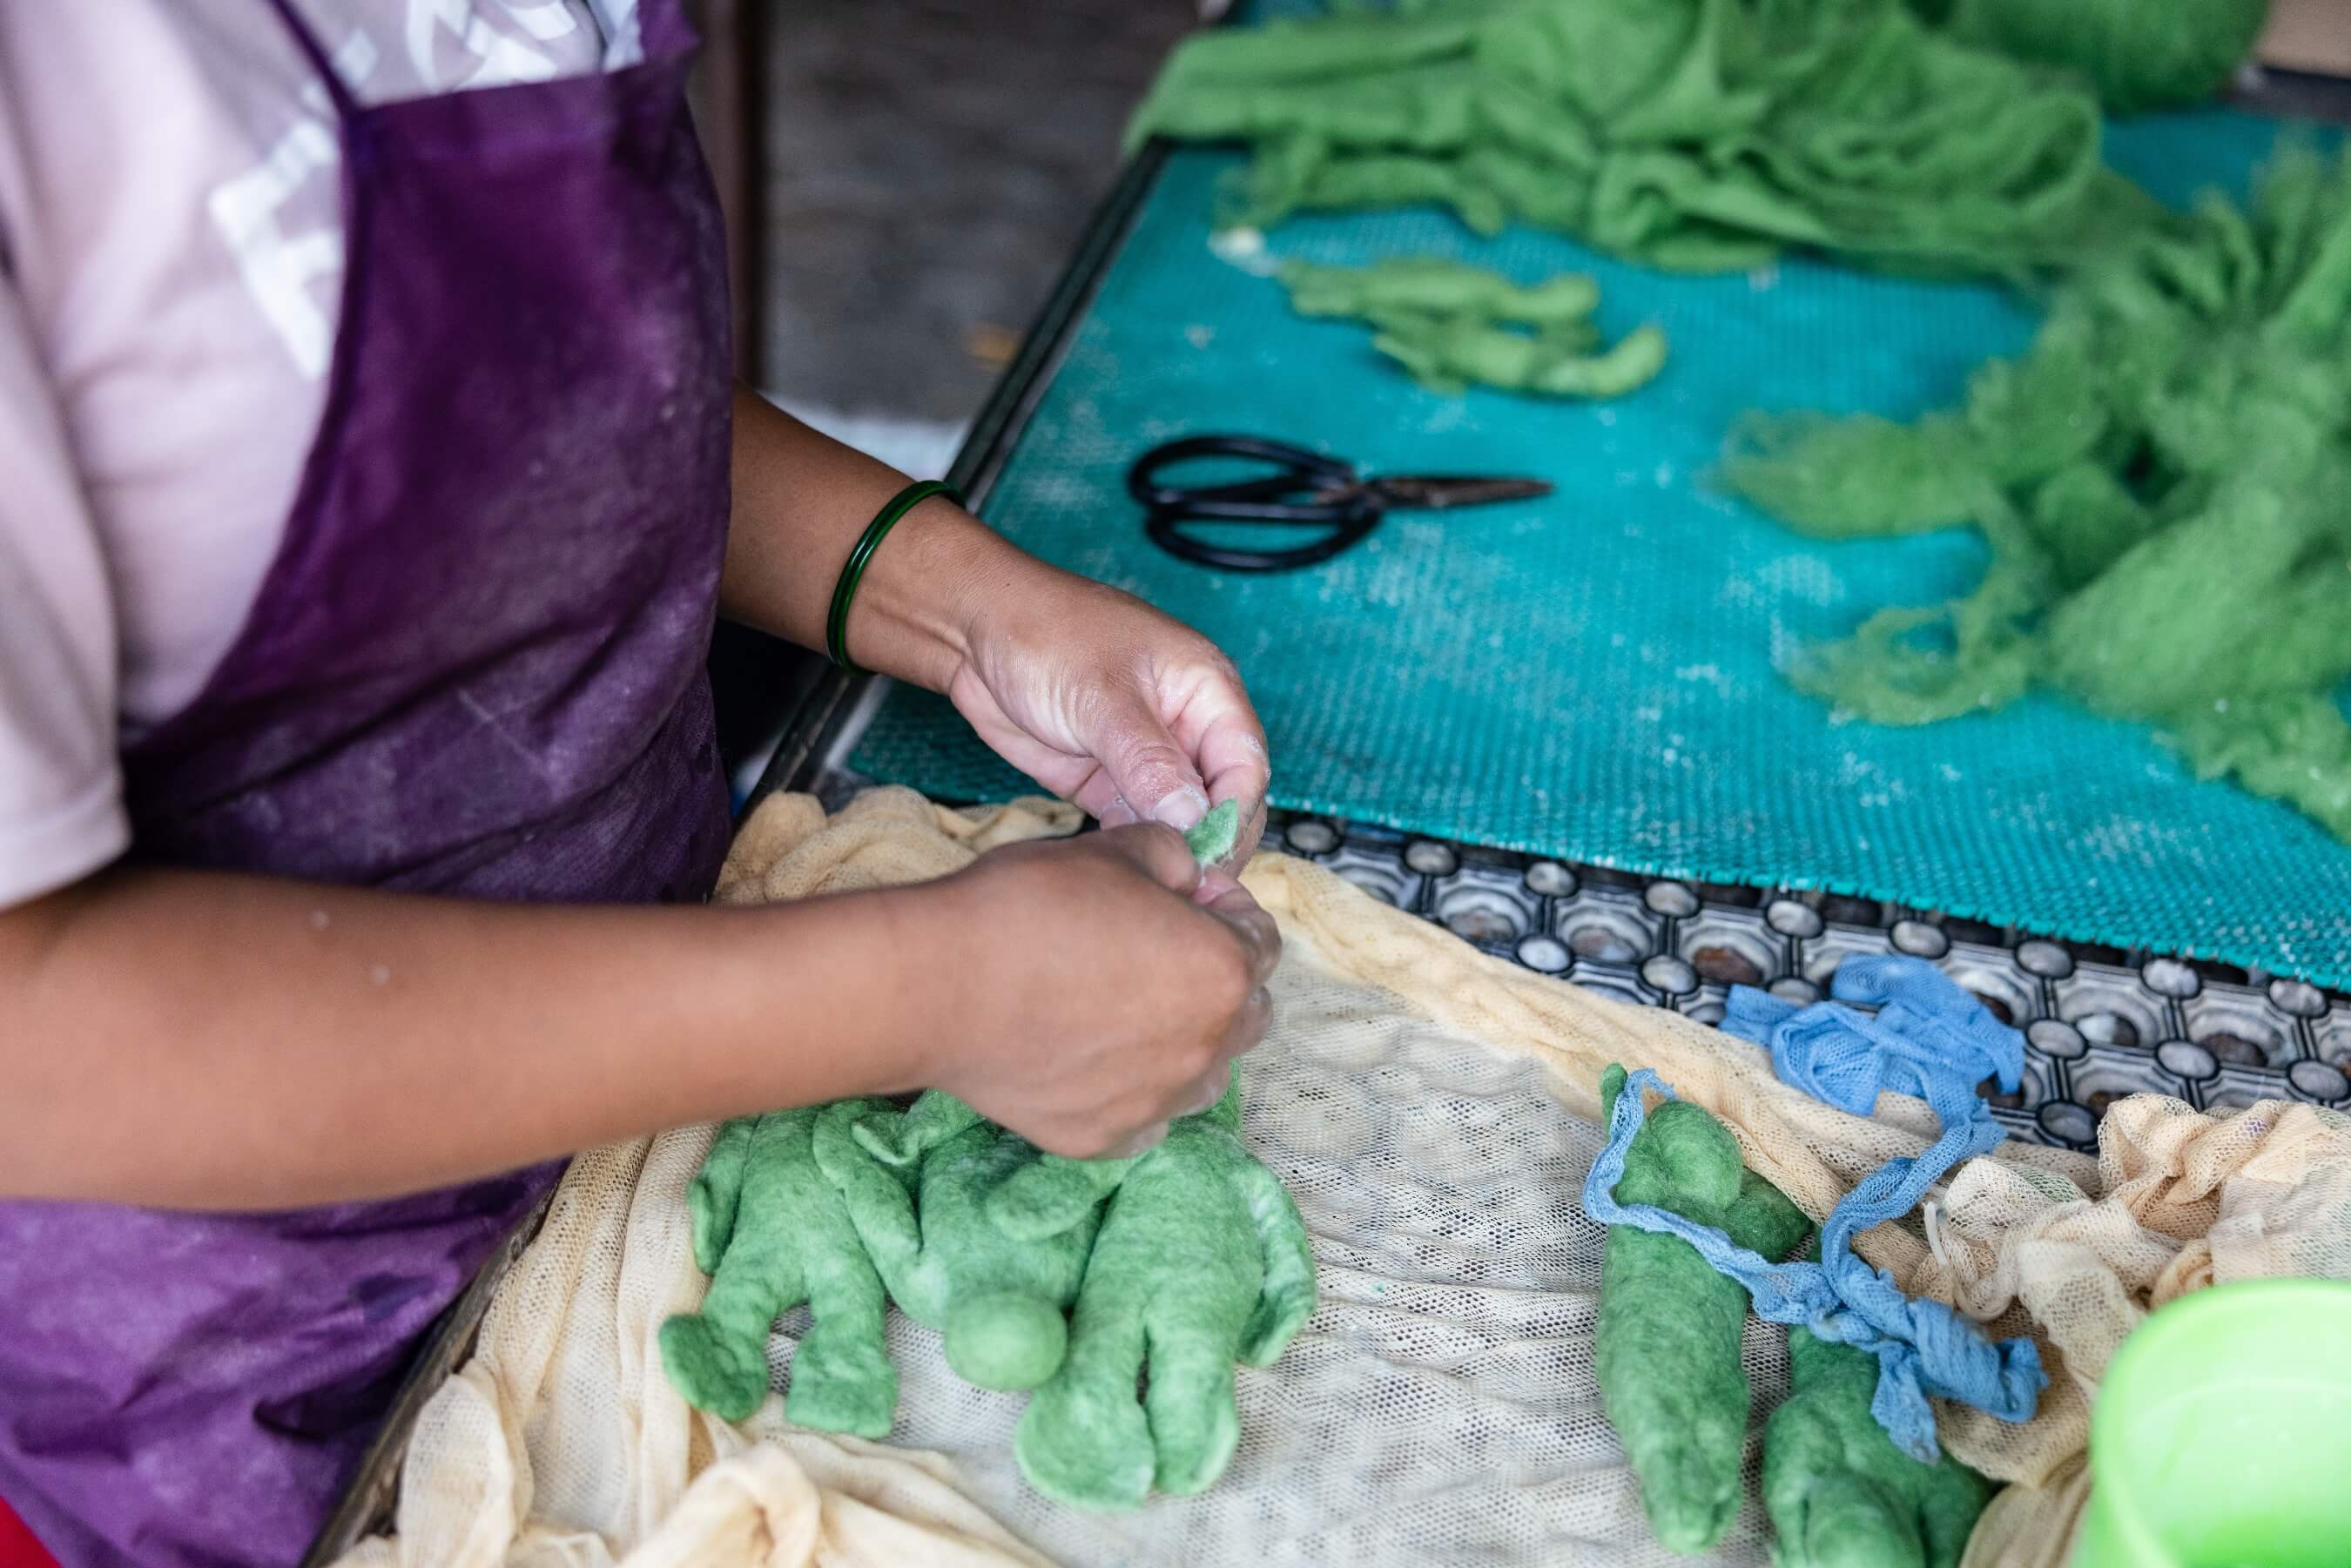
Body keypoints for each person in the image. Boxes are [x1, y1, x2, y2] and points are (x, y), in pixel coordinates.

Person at [0, 4, 1278, 1565]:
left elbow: (525, 415)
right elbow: (33, 1037)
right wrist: (940, 986)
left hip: (679, 1116)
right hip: (251, 1370)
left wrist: (951, 599)